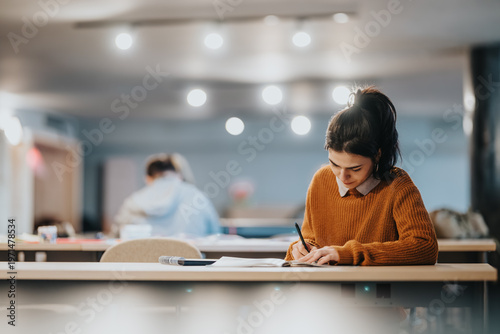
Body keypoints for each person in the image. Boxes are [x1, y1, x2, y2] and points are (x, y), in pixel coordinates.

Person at [286, 87, 438, 265]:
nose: (343, 176)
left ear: (377, 156)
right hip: (324, 287)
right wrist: (302, 247)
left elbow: (424, 247)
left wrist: (348, 254)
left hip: (380, 290)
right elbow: (310, 237)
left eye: (355, 168)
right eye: (334, 164)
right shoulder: (321, 179)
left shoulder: (397, 185)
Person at [114, 153, 221, 237]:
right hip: (189, 263)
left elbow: (115, 236)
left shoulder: (132, 201)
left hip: (143, 263)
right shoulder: (198, 197)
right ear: (179, 176)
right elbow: (216, 234)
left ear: (147, 179)